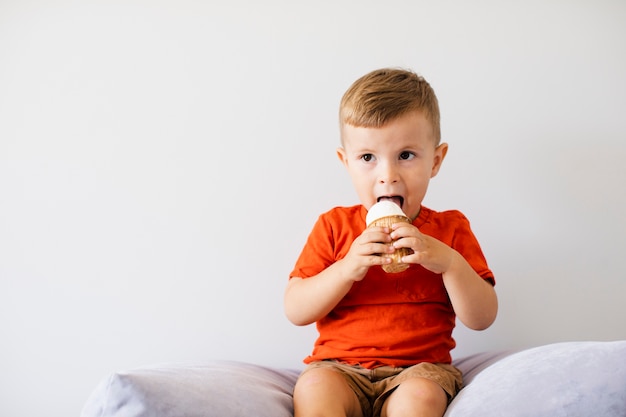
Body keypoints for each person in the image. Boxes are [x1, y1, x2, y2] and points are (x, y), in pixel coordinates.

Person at [284, 67, 498, 417]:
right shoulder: (334, 226)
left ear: (436, 160)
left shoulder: (451, 229)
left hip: (419, 371)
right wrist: (346, 269)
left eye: (406, 155)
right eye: (368, 158)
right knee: (313, 387)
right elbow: (295, 309)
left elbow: (483, 317)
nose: (388, 175)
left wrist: (449, 264)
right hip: (339, 368)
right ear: (346, 163)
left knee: (420, 398)